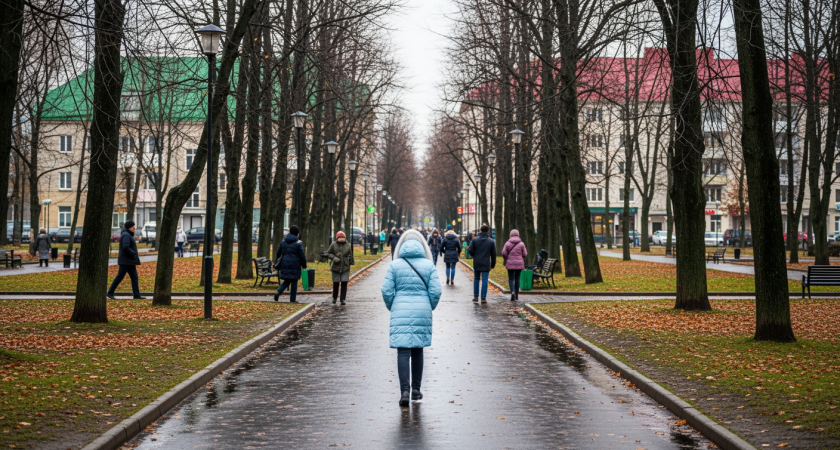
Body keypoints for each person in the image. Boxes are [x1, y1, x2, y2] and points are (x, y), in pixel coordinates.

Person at [381, 230, 442, 407]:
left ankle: (404, 391)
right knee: (418, 350)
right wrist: (429, 305)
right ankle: (416, 389)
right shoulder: (429, 265)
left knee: (403, 352)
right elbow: (436, 291)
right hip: (423, 309)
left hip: (399, 308)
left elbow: (386, 291)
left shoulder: (395, 265)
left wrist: (392, 305)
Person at [107, 221, 143, 299]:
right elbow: (125, 247)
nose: (134, 227)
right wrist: (133, 253)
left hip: (129, 261)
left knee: (134, 277)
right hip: (126, 261)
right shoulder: (126, 235)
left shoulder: (127, 235)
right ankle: (110, 292)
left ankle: (136, 295)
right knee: (120, 276)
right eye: (133, 226)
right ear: (129, 227)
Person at [273, 225, 307, 303]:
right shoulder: (298, 244)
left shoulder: (283, 242)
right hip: (295, 264)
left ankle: (278, 291)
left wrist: (279, 261)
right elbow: (302, 256)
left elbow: (278, 253)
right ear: (297, 234)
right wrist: (304, 265)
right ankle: (292, 299)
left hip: (284, 264)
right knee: (294, 281)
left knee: (287, 280)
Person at [467, 224, 496, 303]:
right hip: (486, 262)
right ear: (488, 231)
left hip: (477, 261)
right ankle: (483, 298)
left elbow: (470, 249)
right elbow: (493, 254)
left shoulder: (475, 240)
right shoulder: (491, 241)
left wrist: (474, 256)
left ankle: (475, 296)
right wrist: (493, 263)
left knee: (476, 279)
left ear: (480, 230)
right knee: (485, 280)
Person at [326, 230, 353, 305]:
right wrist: (334, 258)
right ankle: (334, 298)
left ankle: (342, 299)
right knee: (336, 283)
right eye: (339, 237)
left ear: (345, 237)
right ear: (337, 238)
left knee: (344, 283)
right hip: (336, 266)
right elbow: (328, 253)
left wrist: (350, 260)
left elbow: (350, 254)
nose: (341, 239)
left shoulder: (348, 245)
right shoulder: (333, 244)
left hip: (345, 266)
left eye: (342, 237)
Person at [502, 229, 528, 301]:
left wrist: (506, 257)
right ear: (518, 235)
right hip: (519, 263)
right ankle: (516, 294)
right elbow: (525, 254)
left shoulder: (507, 243)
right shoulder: (521, 244)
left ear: (510, 235)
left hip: (510, 263)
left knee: (511, 278)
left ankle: (512, 291)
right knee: (517, 278)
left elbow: (504, 253)